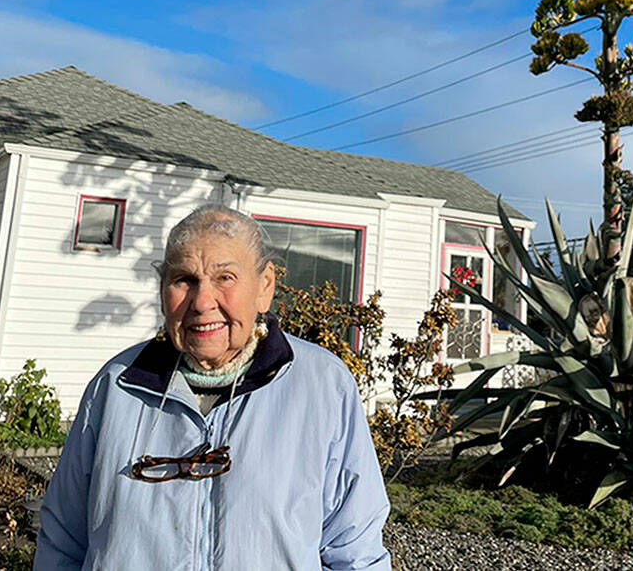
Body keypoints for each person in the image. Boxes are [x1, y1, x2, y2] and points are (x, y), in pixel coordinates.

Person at [34, 204, 392, 570]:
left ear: (264, 286)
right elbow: (62, 541)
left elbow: (355, 550)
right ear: (162, 291)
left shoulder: (322, 387)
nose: (202, 302)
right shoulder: (116, 386)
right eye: (184, 280)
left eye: (225, 278)